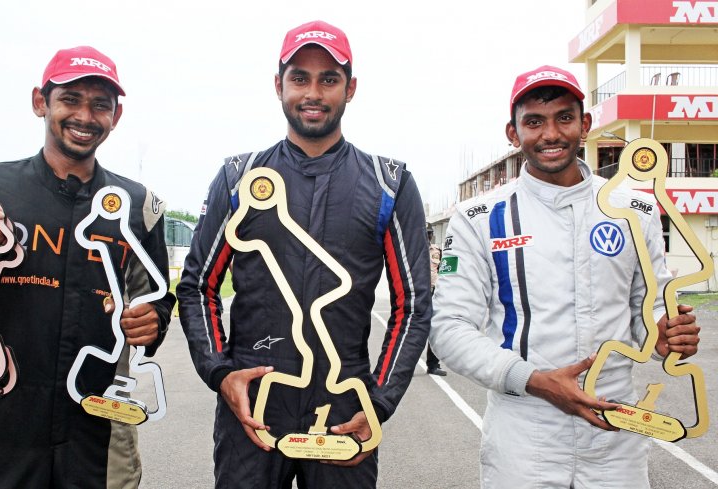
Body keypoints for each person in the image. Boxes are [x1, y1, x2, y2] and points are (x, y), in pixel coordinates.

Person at [178, 20, 431, 489]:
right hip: (253, 404)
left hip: (344, 407)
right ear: (279, 85)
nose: (312, 93)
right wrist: (220, 373)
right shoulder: (239, 178)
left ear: (350, 89)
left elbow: (412, 304)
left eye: (328, 79)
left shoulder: (390, 183)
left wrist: (378, 402)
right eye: (299, 78)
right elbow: (197, 285)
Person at [429, 65, 700, 488]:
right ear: (513, 133)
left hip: (615, 425)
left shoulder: (636, 211)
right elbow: (448, 328)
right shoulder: (479, 217)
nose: (550, 134)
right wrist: (534, 381)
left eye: (564, 118)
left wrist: (666, 336)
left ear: (585, 124)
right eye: (534, 122)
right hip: (525, 427)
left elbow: (648, 311)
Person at [0, 46, 175, 488]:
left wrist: (155, 321)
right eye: (70, 99)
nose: (85, 115)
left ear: (117, 115)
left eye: (100, 104)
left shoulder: (140, 207)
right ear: (41, 102)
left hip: (100, 422)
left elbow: (156, 301)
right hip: (7, 418)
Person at [425, 227, 446, 376]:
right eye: (426, 233)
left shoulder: (437, 250)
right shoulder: (412, 247)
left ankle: (433, 365)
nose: (428, 236)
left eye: (429, 234)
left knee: (436, 327)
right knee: (414, 329)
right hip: (418, 292)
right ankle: (405, 367)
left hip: (435, 291)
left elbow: (443, 269)